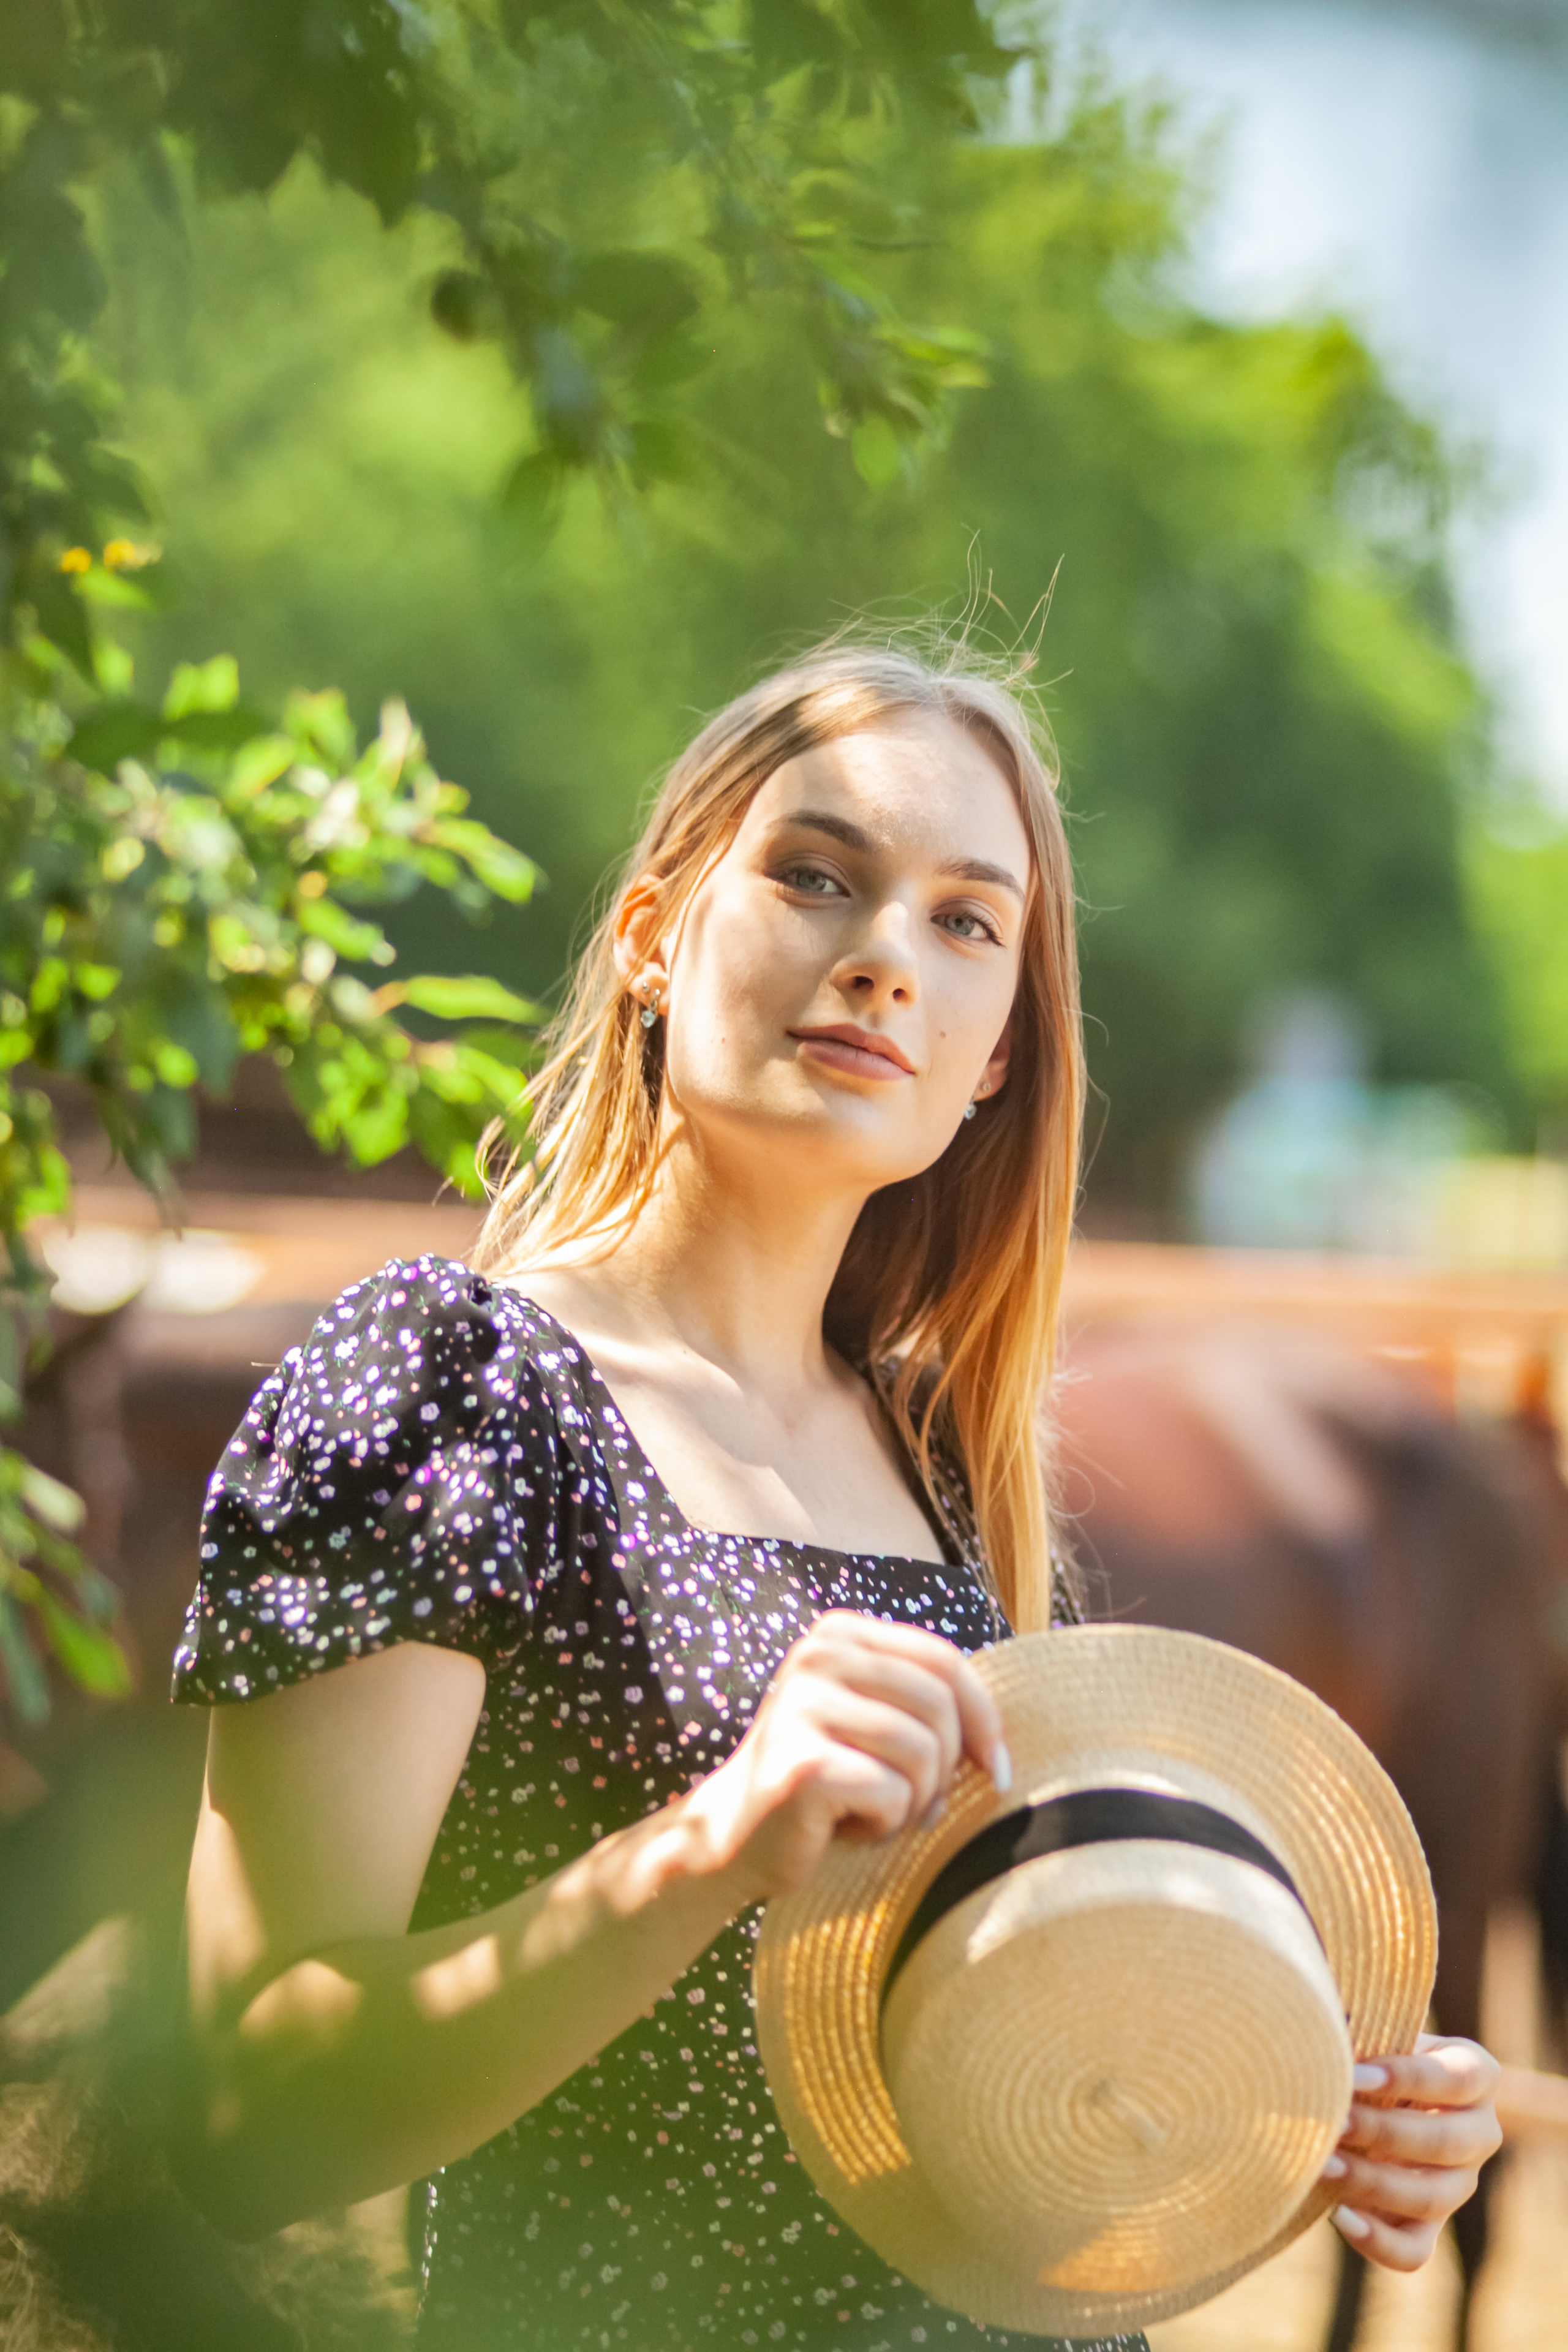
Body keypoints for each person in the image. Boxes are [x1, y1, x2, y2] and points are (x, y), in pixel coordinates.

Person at [172, 639, 1501, 2351]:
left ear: (998, 1056)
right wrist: (710, 1846)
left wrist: (1261, 2112)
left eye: (966, 923)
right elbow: (244, 2120)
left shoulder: (952, 1467)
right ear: (655, 938)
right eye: (815, 875)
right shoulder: (454, 1390)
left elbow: (941, 2112)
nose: (884, 960)